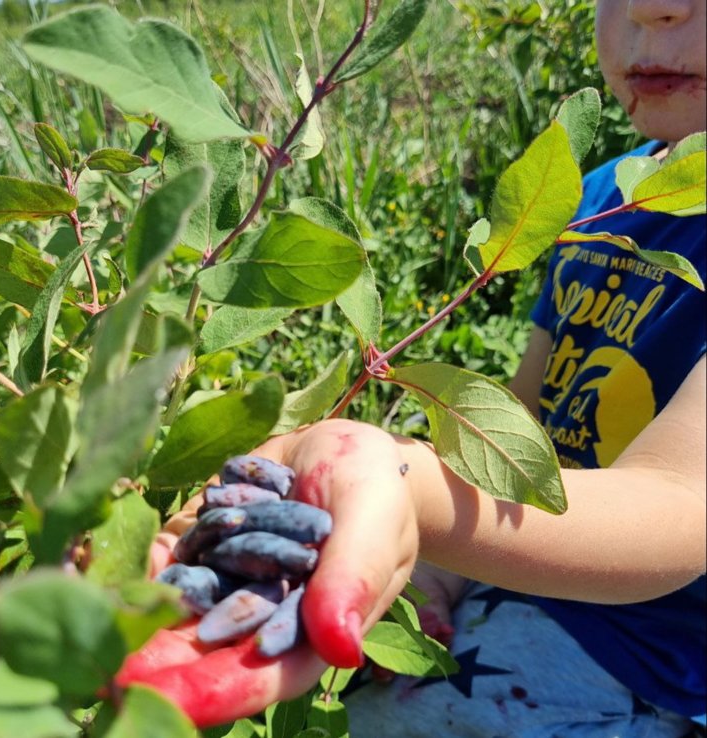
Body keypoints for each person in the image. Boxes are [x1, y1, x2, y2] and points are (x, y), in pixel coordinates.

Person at [126, 0, 706, 733]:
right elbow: (521, 427)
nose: (655, 9)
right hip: (523, 581)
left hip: (654, 664)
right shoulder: (597, 198)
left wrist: (408, 489)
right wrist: (440, 569)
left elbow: (685, 507)